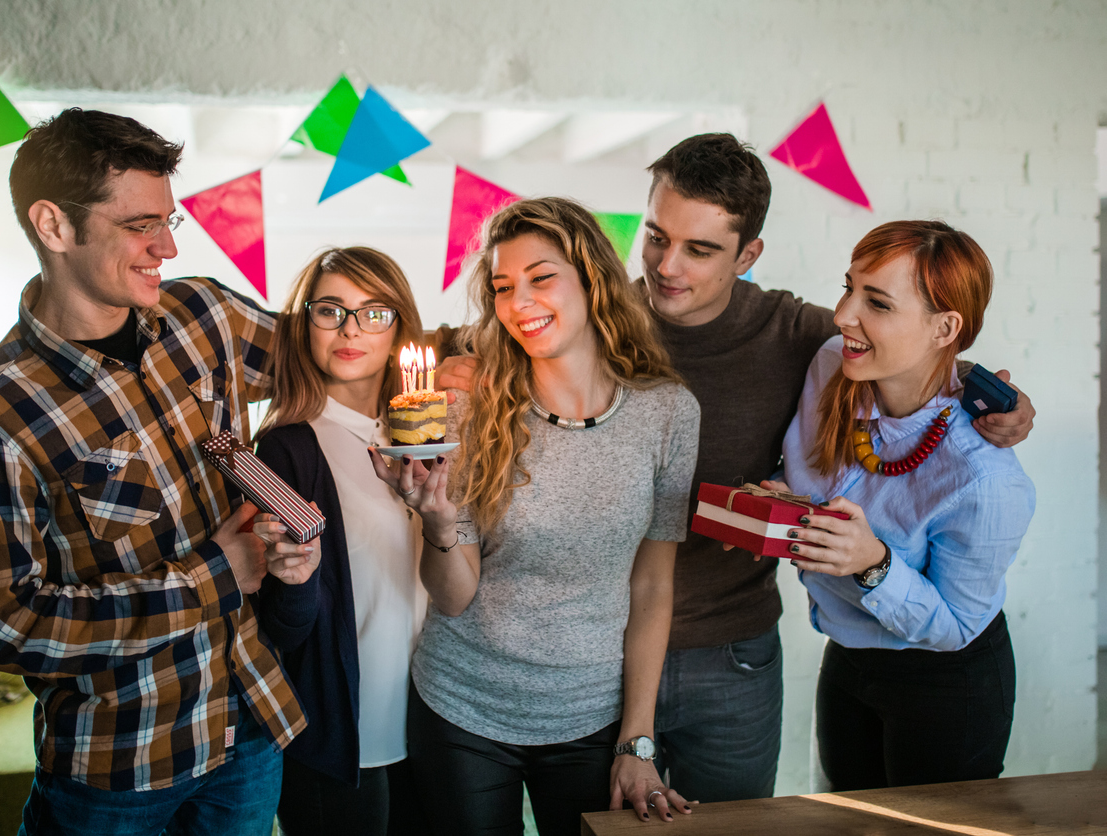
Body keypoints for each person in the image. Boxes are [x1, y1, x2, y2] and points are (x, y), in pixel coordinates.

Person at [436, 133, 1036, 802]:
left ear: (748, 254)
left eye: (699, 249)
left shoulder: (802, 338)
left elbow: (912, 357)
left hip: (735, 654)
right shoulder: (587, 317)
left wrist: (1000, 402)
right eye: (658, 237)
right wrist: (451, 365)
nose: (667, 265)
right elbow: (475, 335)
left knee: (738, 823)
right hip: (600, 653)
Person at [0, 108, 318, 836]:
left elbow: (337, 352)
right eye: (141, 226)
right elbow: (10, 627)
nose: (167, 246)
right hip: (119, 769)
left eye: (169, 221)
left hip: (250, 724)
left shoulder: (203, 313)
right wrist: (215, 574)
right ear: (54, 226)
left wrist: (472, 351)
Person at [373, 197, 700, 835]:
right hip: (461, 709)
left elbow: (653, 584)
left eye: (541, 277)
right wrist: (436, 523)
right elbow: (454, 597)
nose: (519, 301)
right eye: (502, 286)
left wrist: (638, 740)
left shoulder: (669, 414)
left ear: (592, 280)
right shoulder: (467, 407)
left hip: (590, 718)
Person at [775, 220, 1034, 788]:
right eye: (849, 287)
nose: (843, 314)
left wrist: (875, 563)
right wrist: (779, 498)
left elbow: (958, 624)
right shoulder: (830, 367)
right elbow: (812, 476)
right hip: (847, 652)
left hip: (946, 679)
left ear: (945, 327)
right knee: (848, 820)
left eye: (878, 302)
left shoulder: (984, 480)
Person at [253, 247, 427, 836]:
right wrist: (295, 581)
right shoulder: (285, 448)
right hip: (344, 731)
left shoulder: (428, 435)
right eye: (331, 310)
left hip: (435, 721)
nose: (351, 329)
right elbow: (277, 630)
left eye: (373, 312)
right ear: (304, 324)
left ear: (400, 326)